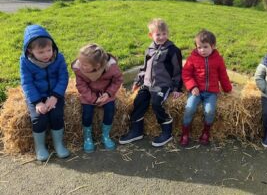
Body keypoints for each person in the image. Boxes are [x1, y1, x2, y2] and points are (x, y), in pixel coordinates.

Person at [119, 18, 183, 147]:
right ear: (151, 35)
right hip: (148, 84)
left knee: (156, 103)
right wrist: (138, 80)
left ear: (168, 34)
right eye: (158, 34)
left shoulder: (173, 50)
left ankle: (167, 132)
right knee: (138, 101)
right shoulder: (149, 50)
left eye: (164, 34)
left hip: (162, 85)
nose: (161, 37)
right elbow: (144, 68)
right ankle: (137, 131)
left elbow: (177, 71)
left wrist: (177, 88)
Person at [20, 24, 70, 161]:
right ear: (30, 50)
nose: (46, 55)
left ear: (52, 46)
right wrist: (37, 102)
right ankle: (40, 147)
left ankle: (58, 144)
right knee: (38, 118)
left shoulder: (58, 58)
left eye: (49, 50)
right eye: (41, 52)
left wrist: (55, 97)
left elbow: (63, 77)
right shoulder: (25, 62)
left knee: (57, 115)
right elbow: (27, 83)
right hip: (36, 95)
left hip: (55, 93)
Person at [180, 29, 232, 146]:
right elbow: (186, 74)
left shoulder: (218, 59)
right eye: (199, 47)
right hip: (196, 91)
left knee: (209, 111)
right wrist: (192, 86)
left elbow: (223, 75)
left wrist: (227, 88)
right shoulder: (192, 58)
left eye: (205, 47)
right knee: (189, 108)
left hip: (211, 92)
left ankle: (206, 132)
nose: (202, 50)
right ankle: (185, 133)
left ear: (213, 46)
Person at [71, 44, 123, 153]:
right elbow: (81, 86)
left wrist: (108, 94)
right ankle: (87, 137)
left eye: (85, 64)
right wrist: (93, 99)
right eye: (80, 62)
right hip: (88, 95)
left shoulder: (111, 68)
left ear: (97, 65)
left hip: (106, 93)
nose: (81, 65)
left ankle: (105, 135)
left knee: (110, 109)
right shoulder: (79, 69)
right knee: (87, 112)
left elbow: (118, 80)